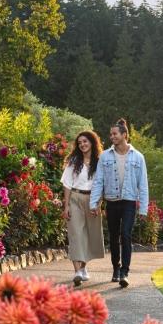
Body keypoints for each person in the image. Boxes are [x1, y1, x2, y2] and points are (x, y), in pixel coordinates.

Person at [90, 118, 149, 288]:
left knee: (126, 234)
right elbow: (98, 181)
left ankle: (125, 272)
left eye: (115, 133)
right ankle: (115, 268)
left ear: (124, 135)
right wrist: (94, 203)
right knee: (114, 237)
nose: (112, 136)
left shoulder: (138, 157)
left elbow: (143, 184)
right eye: (111, 134)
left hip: (129, 202)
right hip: (112, 202)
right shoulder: (105, 156)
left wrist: (143, 209)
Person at [61, 130, 105, 286]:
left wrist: (99, 203)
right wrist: (66, 206)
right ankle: (77, 271)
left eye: (85, 141)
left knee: (90, 235)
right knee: (75, 234)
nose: (82, 145)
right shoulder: (74, 161)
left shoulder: (100, 161)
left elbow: (102, 185)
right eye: (79, 143)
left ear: (92, 142)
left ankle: (83, 268)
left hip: (93, 200)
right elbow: (66, 184)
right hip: (75, 198)